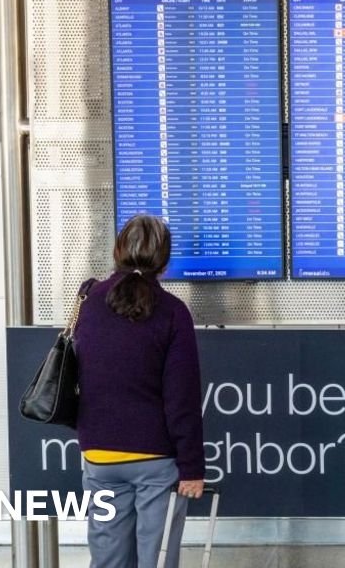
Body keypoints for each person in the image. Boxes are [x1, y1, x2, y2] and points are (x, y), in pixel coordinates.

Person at [75, 214, 205, 568]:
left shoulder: (87, 300)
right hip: (156, 460)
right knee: (157, 560)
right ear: (164, 261)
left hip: (99, 455)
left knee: (108, 561)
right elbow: (182, 399)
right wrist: (192, 466)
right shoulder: (173, 312)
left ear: (117, 251)